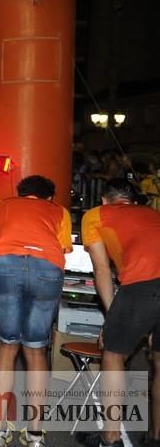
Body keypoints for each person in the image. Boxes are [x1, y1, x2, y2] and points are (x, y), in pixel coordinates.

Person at [0, 175, 72, 447]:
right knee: (35, 349)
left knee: (7, 345)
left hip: (4, 263)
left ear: (21, 194)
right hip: (46, 266)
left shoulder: (3, 205)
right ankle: (34, 435)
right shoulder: (59, 211)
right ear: (49, 197)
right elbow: (64, 250)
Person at [78, 179, 160, 447]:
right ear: (134, 200)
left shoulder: (95, 215)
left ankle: (110, 438)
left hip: (142, 283)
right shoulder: (153, 214)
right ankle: (155, 437)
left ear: (104, 199)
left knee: (113, 354)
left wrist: (113, 316)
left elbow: (102, 270)